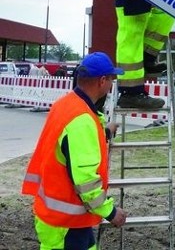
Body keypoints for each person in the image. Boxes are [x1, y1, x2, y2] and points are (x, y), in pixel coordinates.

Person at [22, 52, 127, 249]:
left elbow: (68, 145)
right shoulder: (81, 120)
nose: (112, 85)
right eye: (111, 79)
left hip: (60, 215)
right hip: (66, 221)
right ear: (102, 81)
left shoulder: (66, 105)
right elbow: (85, 180)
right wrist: (110, 212)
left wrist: (103, 132)